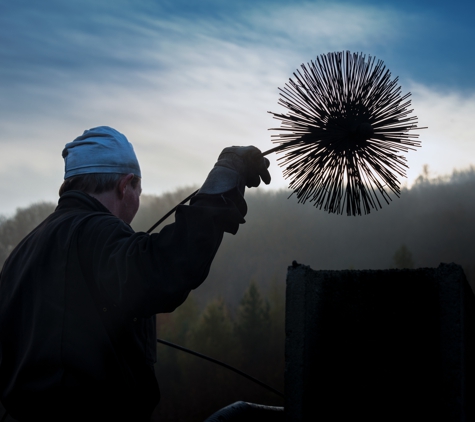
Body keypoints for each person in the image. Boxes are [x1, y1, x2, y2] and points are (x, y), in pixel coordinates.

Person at [0, 126, 270, 421]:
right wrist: (226, 174)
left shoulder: (21, 253)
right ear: (124, 185)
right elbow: (166, 268)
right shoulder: (95, 232)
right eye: (138, 191)